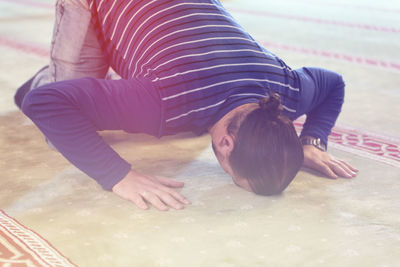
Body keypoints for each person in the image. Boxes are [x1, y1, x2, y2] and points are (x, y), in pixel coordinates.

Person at [15, 0, 358, 211]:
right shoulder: (162, 101)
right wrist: (118, 176)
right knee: (60, 127)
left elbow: (334, 83)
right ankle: (49, 73)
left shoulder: (289, 91)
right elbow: (44, 104)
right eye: (233, 176)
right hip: (100, 5)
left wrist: (311, 141)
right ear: (226, 143)